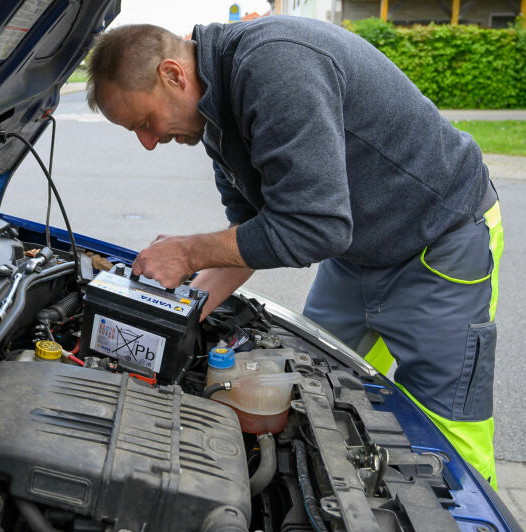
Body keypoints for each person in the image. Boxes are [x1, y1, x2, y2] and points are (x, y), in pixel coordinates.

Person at [84, 17, 503, 488]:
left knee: (444, 435)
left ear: (173, 75)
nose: (147, 142)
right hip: (355, 247)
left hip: (437, 237)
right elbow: (249, 235)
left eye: (144, 122)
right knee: (316, 384)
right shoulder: (217, 115)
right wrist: (183, 312)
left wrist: (188, 253)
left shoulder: (275, 67)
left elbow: (312, 227)